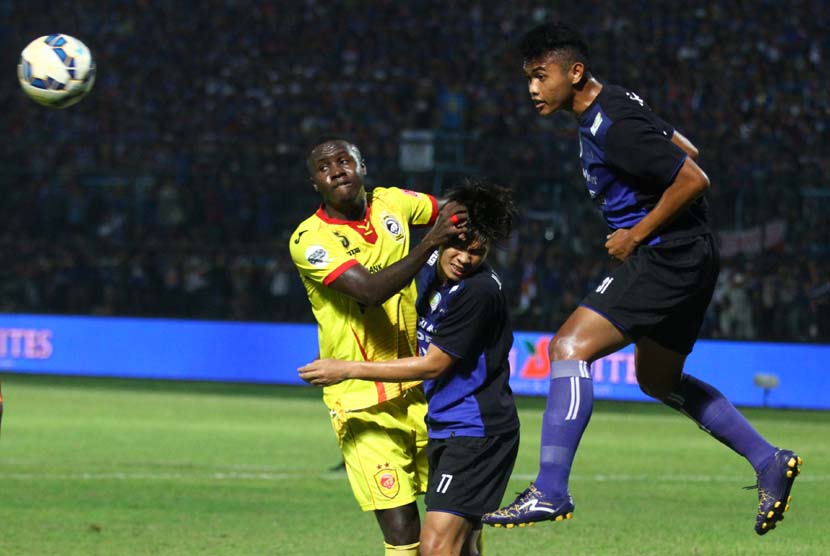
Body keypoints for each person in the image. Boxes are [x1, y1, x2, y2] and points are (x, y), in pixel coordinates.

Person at [481, 22, 801, 536]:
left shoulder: (612, 123)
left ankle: (550, 489)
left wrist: (635, 233)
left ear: (575, 72)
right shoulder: (619, 103)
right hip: (691, 255)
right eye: (529, 79)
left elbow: (694, 177)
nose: (532, 89)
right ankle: (767, 460)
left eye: (541, 76)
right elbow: (687, 149)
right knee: (657, 380)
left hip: (664, 256)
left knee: (567, 348)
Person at [300, 180, 519, 556]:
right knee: (462, 544)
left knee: (434, 547)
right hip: (445, 424)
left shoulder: (476, 292)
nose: (465, 258)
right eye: (459, 247)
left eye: (477, 253)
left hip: (477, 431)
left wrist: (348, 369)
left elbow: (433, 365)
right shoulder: (434, 269)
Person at [289, 135, 468, 556]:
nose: (335, 169)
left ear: (362, 167)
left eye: (343, 160)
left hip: (422, 391)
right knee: (403, 528)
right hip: (361, 401)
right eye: (323, 167)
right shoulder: (310, 240)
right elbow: (368, 291)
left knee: (458, 521)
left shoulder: (393, 203)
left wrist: (466, 235)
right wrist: (430, 244)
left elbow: (453, 211)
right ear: (315, 183)